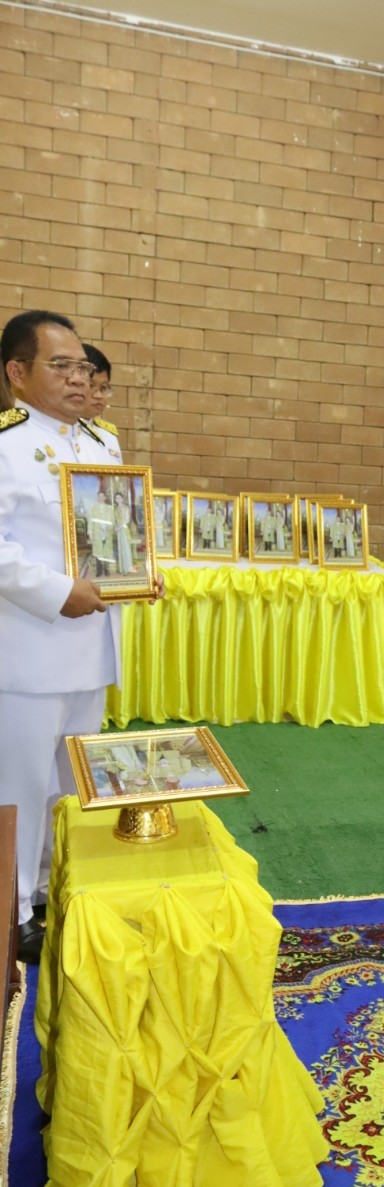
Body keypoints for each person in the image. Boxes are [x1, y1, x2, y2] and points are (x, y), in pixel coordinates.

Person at [0, 310, 119, 964]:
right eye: (61, 366)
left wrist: (131, 576)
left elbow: (108, 537)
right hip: (25, 651)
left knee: (71, 785)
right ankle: (11, 916)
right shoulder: (5, 445)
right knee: (16, 788)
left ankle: (54, 893)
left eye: (83, 367)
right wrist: (56, 592)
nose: (79, 379)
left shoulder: (102, 445)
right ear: (18, 373)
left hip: (88, 647)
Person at [79, 342, 122, 461]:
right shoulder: (60, 430)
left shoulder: (108, 435)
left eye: (103, 388)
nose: (98, 395)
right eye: (91, 386)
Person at [88, 488, 116, 577]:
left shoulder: (109, 508)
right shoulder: (93, 508)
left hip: (107, 532)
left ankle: (106, 570)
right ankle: (99, 571)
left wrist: (110, 527)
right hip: (97, 532)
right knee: (98, 552)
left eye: (102, 496)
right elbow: (90, 521)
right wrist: (90, 532)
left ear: (105, 498)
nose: (100, 498)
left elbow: (112, 520)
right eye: (98, 496)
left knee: (107, 551)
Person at [113, 491, 135, 574]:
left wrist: (120, 526)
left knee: (126, 549)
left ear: (122, 499)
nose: (118, 499)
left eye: (119, 498)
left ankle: (127, 568)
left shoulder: (126, 508)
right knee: (120, 549)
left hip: (124, 530)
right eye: (116, 498)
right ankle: (122, 569)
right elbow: (115, 520)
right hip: (118, 531)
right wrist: (115, 526)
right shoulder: (115, 509)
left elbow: (127, 520)